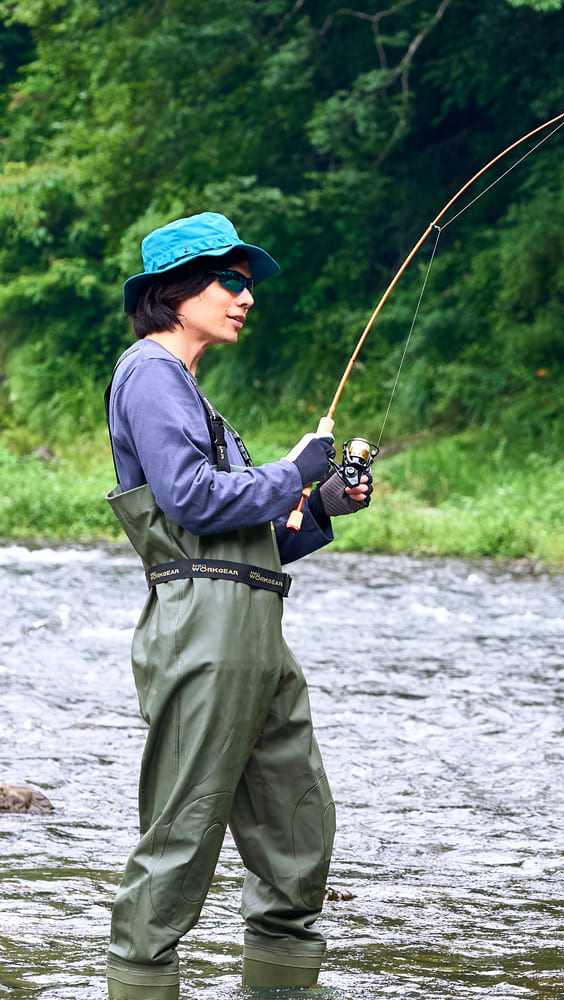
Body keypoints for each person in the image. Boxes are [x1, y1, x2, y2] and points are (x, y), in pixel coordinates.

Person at [104, 212, 371, 999]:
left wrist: (319, 501)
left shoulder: (190, 392)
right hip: (203, 632)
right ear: (176, 291)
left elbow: (246, 539)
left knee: (297, 826)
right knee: (183, 834)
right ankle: (141, 978)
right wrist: (291, 470)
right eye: (231, 280)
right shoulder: (149, 373)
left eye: (248, 282)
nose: (246, 295)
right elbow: (189, 499)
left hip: (257, 628)